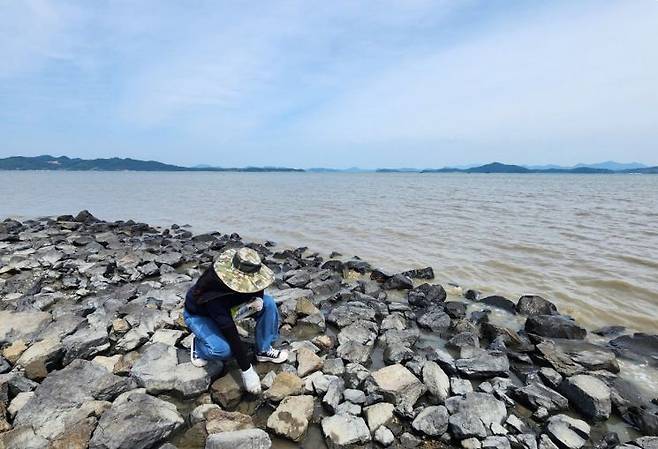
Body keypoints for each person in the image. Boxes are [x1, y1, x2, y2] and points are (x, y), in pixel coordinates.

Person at [184, 247, 288, 394]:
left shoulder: (250, 272)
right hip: (200, 315)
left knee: (268, 303)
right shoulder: (213, 291)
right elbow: (229, 330)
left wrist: (258, 297)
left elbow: (258, 283)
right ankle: (199, 346)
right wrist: (247, 370)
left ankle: (263, 350)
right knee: (223, 351)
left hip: (231, 309)